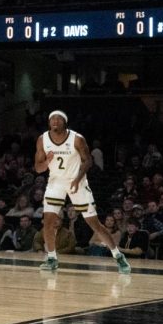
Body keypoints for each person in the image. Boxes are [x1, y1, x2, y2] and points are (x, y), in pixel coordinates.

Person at [35, 110, 130, 273]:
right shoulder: (43, 139)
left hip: (77, 181)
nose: (55, 121)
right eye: (52, 119)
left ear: (65, 122)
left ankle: (118, 256)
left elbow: (88, 161)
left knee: (94, 223)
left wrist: (78, 179)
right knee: (48, 222)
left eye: (58, 118)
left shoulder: (77, 138)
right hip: (56, 182)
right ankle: (51, 258)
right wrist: (47, 161)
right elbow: (38, 168)